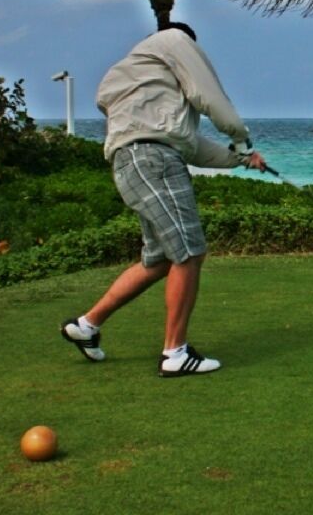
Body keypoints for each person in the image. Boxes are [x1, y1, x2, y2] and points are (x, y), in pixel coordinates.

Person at [60, 23, 265, 377]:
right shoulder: (175, 40)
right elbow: (210, 97)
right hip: (155, 161)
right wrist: (242, 137)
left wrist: (239, 158)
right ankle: (175, 354)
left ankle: (87, 325)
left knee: (159, 259)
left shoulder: (137, 80)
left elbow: (187, 144)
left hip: (132, 163)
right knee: (190, 251)